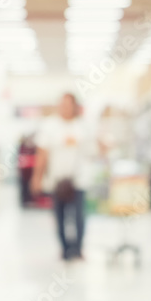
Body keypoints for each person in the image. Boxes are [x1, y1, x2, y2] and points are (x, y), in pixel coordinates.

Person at [31, 92, 94, 261]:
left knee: (79, 217)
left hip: (79, 180)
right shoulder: (50, 126)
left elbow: (92, 151)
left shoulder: (83, 127)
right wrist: (37, 177)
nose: (65, 107)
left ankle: (78, 250)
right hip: (56, 180)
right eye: (62, 104)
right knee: (59, 218)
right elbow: (42, 154)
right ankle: (65, 250)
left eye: (68, 104)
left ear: (75, 106)